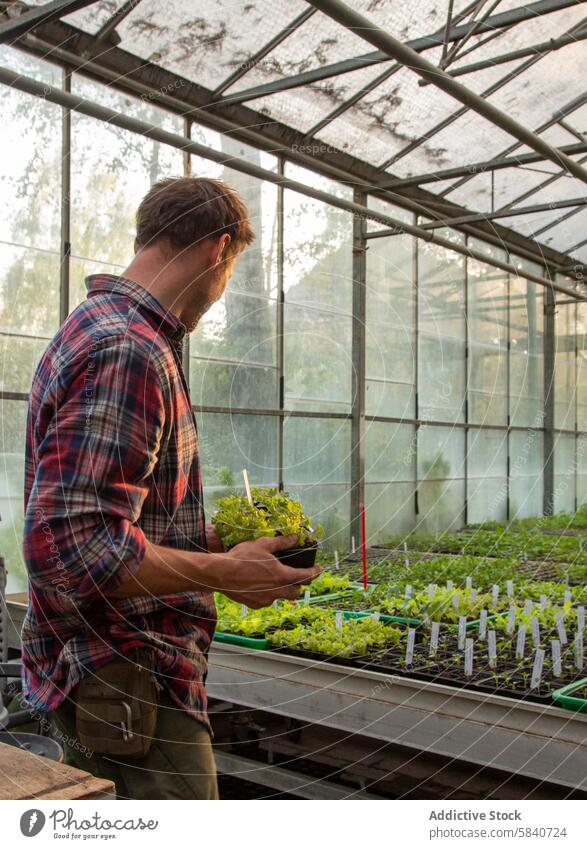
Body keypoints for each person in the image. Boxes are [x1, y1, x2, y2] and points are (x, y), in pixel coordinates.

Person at [21, 176, 321, 799]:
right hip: (128, 679)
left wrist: (222, 550)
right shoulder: (127, 349)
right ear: (217, 250)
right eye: (231, 268)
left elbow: (114, 524)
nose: (222, 289)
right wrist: (223, 574)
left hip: (103, 678)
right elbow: (73, 551)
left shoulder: (96, 328)